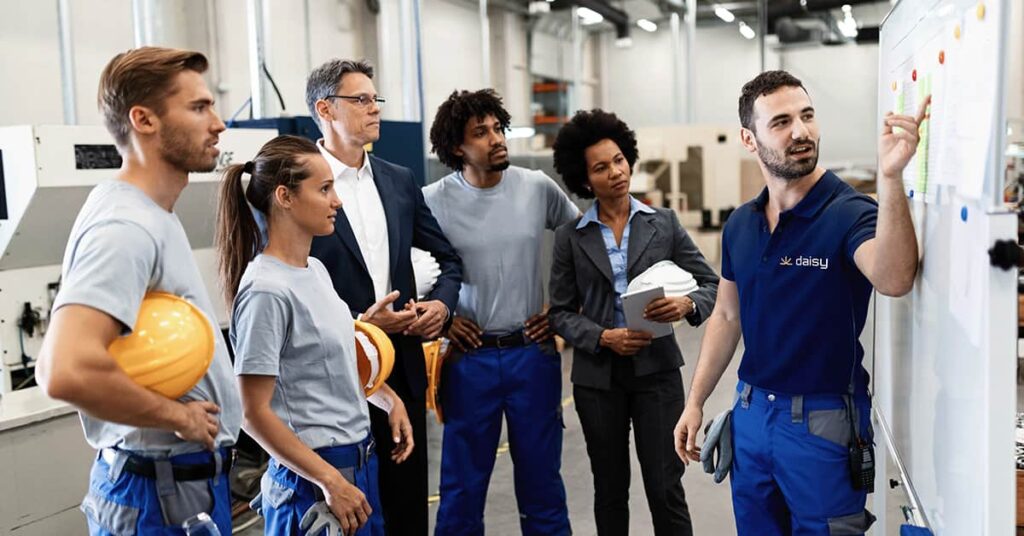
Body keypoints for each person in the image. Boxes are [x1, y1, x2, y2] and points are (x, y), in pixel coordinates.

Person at [674, 70, 927, 535]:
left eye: (807, 116)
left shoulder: (850, 212)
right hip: (750, 415)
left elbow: (893, 278)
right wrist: (696, 401)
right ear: (750, 139)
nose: (801, 131)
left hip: (823, 422)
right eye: (782, 122)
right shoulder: (741, 225)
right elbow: (727, 316)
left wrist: (890, 177)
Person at [35, 47, 242, 535]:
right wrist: (178, 417)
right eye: (198, 108)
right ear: (143, 119)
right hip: (155, 495)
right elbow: (64, 369)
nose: (218, 123)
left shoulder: (151, 214)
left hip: (182, 487)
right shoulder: (125, 225)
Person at [215, 134, 414, 536]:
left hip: (356, 468)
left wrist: (387, 397)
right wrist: (330, 481)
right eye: (324, 189)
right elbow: (252, 413)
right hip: (314, 481)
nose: (336, 200)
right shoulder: (267, 291)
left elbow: (332, 364)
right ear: (285, 197)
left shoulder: (315, 272)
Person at [305, 58, 462, 535]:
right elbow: (289, 280)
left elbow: (448, 259)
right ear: (325, 109)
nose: (375, 109)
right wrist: (362, 327)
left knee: (407, 512)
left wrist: (442, 306)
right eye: (362, 100)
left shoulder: (398, 180)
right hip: (331, 381)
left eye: (376, 99)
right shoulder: (296, 185)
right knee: (343, 517)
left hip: (404, 375)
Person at [548, 109, 719, 536]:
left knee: (665, 486)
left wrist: (686, 305)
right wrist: (603, 336)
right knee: (609, 488)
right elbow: (560, 312)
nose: (616, 172)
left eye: (619, 160)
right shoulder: (571, 237)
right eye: (601, 168)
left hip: (657, 372)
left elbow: (712, 284)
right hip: (597, 379)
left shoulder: (663, 224)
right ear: (585, 180)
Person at [423, 89, 577, 536]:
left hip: (533, 354)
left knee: (542, 483)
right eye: (481, 133)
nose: (495, 139)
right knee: (461, 489)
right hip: (467, 361)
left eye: (498, 129)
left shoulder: (536, 188)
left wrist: (562, 311)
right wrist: (447, 321)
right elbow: (410, 272)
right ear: (457, 147)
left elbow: (582, 245)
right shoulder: (433, 201)